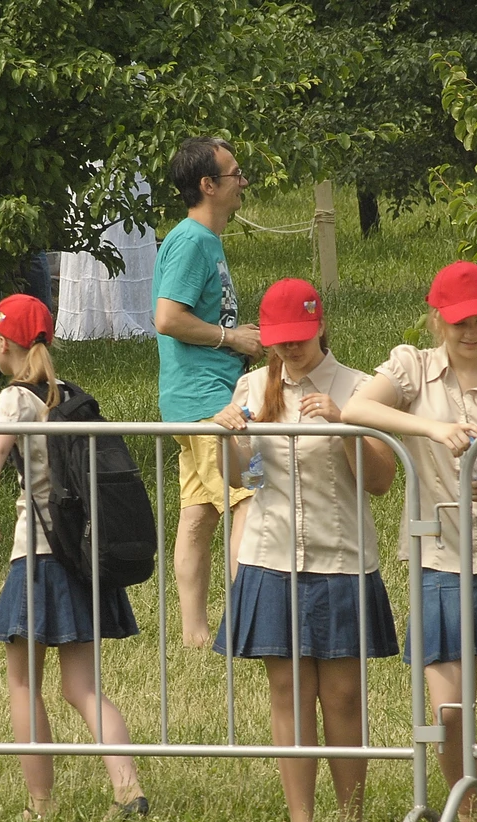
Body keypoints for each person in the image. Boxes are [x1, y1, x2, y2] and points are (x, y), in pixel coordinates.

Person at [341, 261, 477, 822]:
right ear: (436, 320)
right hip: (440, 556)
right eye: (459, 321)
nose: (471, 332)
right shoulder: (413, 368)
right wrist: (430, 429)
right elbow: (356, 409)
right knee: (448, 708)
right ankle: (461, 808)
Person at [211, 279, 398, 822]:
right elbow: (242, 479)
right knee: (288, 694)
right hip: (270, 558)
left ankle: (352, 821)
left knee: (343, 696)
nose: (290, 348)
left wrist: (346, 425)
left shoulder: (359, 388)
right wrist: (228, 438)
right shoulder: (251, 386)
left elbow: (381, 481)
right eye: (280, 339)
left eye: (300, 336)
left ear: (321, 327)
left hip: (341, 559)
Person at [0, 294, 149, 822]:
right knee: (83, 687)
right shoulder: (68, 394)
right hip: (80, 554)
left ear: (4, 343)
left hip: (38, 554)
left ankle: (40, 804)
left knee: (23, 683)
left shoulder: (15, 397)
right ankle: (128, 789)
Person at [153, 136, 260, 646]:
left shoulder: (203, 240)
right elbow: (168, 318)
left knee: (198, 513)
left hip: (196, 400)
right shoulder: (193, 241)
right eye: (235, 173)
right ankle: (248, 626)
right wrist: (232, 338)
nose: (244, 181)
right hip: (209, 403)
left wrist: (241, 340)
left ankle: (194, 635)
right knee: (251, 500)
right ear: (208, 185)